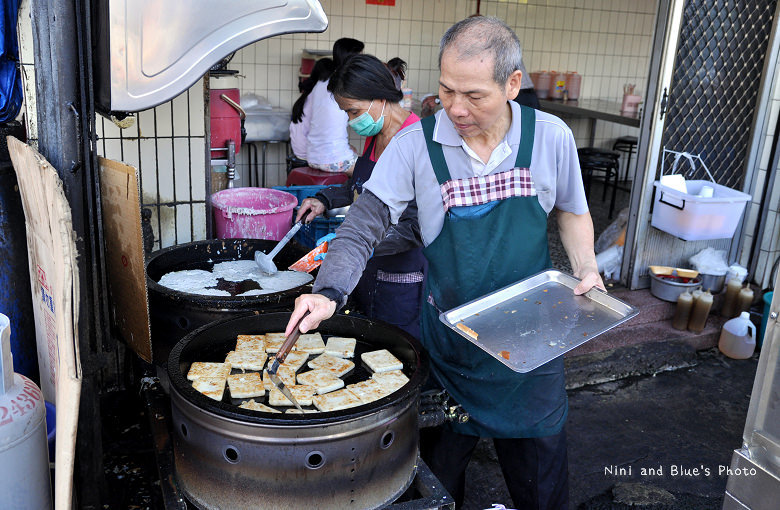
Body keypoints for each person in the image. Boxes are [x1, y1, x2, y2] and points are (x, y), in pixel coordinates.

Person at [285, 16, 604, 509]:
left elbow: (573, 210)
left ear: (512, 84)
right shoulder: (416, 145)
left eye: (474, 95)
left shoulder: (551, 136)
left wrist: (586, 267)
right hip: (452, 350)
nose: (455, 108)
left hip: (531, 347)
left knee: (539, 483)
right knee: (438, 481)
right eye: (446, 89)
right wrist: (329, 292)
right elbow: (364, 225)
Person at [295, 54, 425, 338]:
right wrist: (325, 199)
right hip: (362, 270)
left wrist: (360, 241)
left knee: (396, 351)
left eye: (354, 112)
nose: (352, 121)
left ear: (380, 99)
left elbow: (418, 228)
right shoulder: (374, 135)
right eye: (347, 113)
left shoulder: (417, 141)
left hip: (399, 278)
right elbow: (363, 186)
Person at [288, 38, 364, 174]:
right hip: (333, 160)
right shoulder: (345, 84)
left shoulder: (322, 83)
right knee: (372, 173)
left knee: (353, 152)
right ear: (353, 58)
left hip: (313, 157)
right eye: (361, 56)